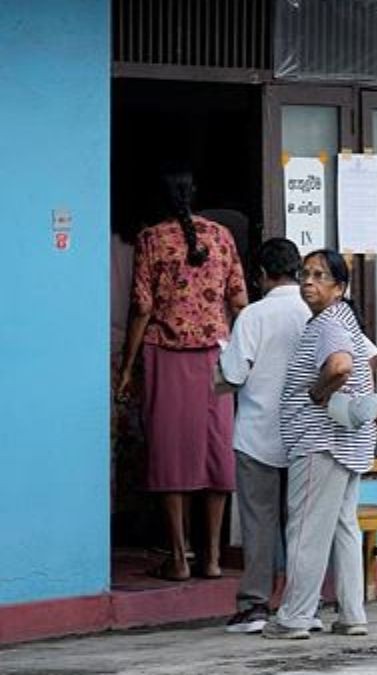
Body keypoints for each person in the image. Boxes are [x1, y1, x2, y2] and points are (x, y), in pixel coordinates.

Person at [117, 169, 248, 581]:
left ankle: (178, 558)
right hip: (216, 358)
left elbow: (142, 307)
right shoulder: (222, 236)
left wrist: (126, 367)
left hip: (166, 355)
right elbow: (240, 301)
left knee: (169, 453)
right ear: (195, 195)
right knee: (216, 452)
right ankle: (212, 559)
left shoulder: (151, 238)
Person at [264, 249, 377, 639]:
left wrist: (318, 393)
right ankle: (352, 614)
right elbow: (370, 362)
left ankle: (294, 617)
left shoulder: (328, 324)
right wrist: (368, 405)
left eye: (320, 275)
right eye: (304, 274)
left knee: (306, 530)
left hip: (320, 442)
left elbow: (340, 366)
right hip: (348, 442)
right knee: (343, 527)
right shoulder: (345, 320)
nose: (308, 281)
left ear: (339, 287)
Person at [218, 238, 311, 634]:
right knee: (301, 525)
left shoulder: (253, 316)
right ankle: (303, 606)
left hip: (258, 433)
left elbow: (233, 375)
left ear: (261, 274)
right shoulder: (314, 311)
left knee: (259, 524)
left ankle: (255, 605)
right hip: (305, 434)